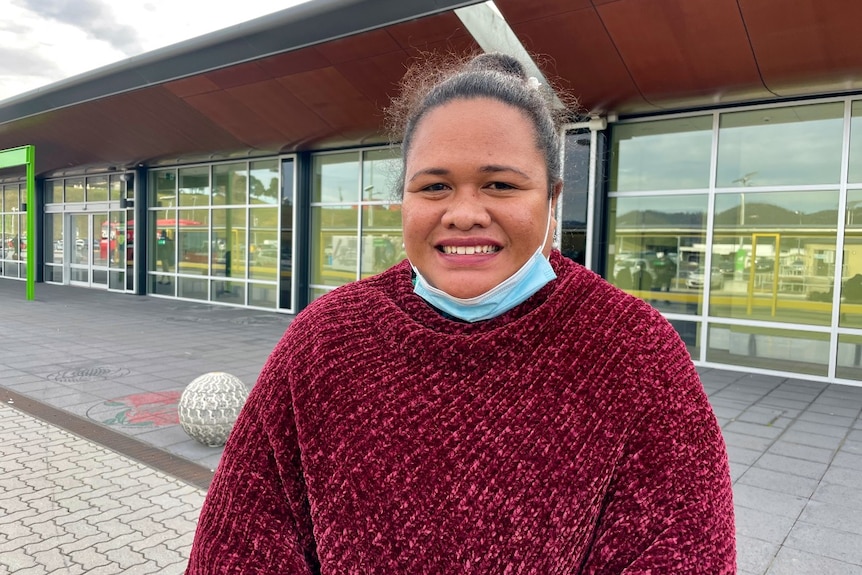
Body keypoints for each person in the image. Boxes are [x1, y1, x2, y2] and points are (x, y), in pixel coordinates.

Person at [186, 52, 735, 574]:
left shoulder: (632, 351)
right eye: (434, 186)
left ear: (552, 199)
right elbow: (240, 543)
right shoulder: (326, 339)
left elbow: (684, 552)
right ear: (403, 198)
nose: (465, 213)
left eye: (500, 184)